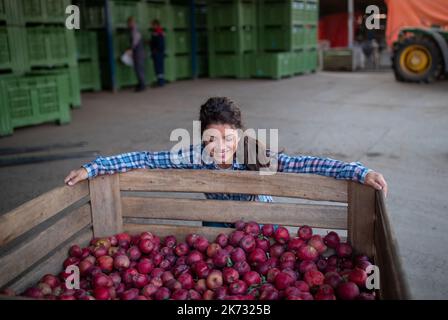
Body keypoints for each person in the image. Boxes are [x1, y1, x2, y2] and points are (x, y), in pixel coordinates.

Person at [64, 97, 388, 226]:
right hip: (216, 220)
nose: (220, 147)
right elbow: (146, 158)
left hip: (261, 219)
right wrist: (93, 168)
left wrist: (358, 171)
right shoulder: (194, 155)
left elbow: (304, 164)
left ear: (240, 136)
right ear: (202, 135)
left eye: (229, 139)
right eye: (212, 138)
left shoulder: (255, 152)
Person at [127, 16, 146, 92]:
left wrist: (131, 49)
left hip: (138, 52)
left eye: (129, 23)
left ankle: (142, 85)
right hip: (138, 52)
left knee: (139, 69)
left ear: (132, 22)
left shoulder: (135, 31)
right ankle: (140, 83)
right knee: (138, 69)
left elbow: (135, 42)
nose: (128, 25)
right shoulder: (133, 30)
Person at [149, 19, 166, 87]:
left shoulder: (157, 32)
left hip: (157, 52)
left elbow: (158, 43)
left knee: (158, 67)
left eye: (153, 25)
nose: (152, 26)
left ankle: (160, 82)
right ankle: (160, 81)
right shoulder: (159, 32)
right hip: (159, 52)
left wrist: (155, 50)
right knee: (160, 67)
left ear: (156, 25)